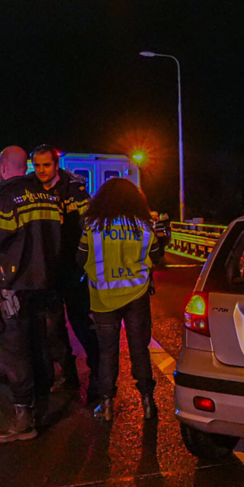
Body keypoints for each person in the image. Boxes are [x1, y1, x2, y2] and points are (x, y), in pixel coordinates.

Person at [0, 150, 64, 443]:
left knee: (17, 355)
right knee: (42, 348)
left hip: (15, 287)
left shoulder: (5, 199)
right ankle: (41, 408)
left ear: (2, 168)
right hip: (47, 286)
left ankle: (23, 420)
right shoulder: (50, 196)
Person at [78, 178, 167, 421]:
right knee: (140, 350)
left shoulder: (92, 226)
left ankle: (106, 406)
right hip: (137, 294)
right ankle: (149, 403)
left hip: (104, 297)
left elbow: (80, 258)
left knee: (107, 352)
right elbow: (157, 256)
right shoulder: (145, 225)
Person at [30, 145, 100, 399]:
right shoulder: (31, 188)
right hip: (46, 268)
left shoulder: (75, 188)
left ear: (56, 165)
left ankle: (98, 370)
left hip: (72, 267)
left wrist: (84, 261)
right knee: (52, 326)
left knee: (81, 321)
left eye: (46, 165)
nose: (41, 171)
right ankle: (68, 374)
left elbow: (88, 225)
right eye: (37, 166)